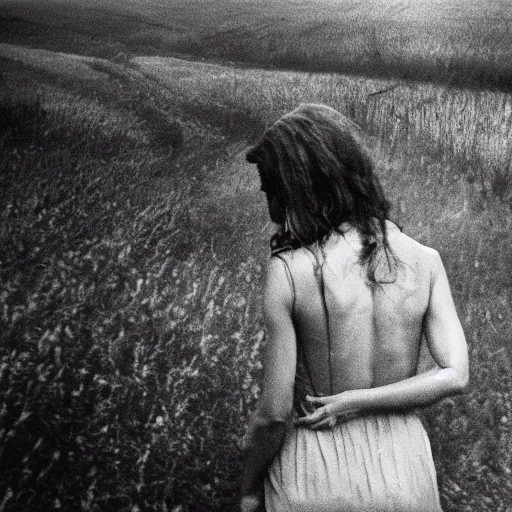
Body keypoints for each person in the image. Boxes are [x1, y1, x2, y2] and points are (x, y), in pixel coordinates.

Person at [239, 104, 469, 512]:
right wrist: (360, 401)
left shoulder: (289, 272)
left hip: (314, 471)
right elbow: (454, 374)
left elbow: (274, 415)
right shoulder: (426, 260)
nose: (267, 198)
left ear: (298, 185)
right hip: (404, 474)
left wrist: (248, 489)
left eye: (270, 186)